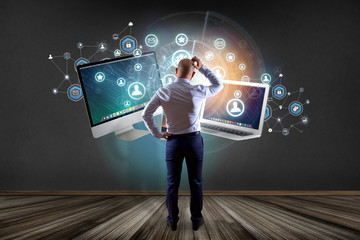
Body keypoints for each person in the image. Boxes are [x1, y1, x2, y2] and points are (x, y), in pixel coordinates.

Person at [142, 56, 223, 231]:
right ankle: (196, 220)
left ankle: (172, 220)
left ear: (176, 72)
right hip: (194, 141)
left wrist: (158, 133)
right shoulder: (198, 90)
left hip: (173, 142)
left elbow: (146, 115)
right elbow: (218, 85)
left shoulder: (163, 91)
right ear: (193, 74)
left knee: (172, 184)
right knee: (196, 182)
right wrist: (203, 68)